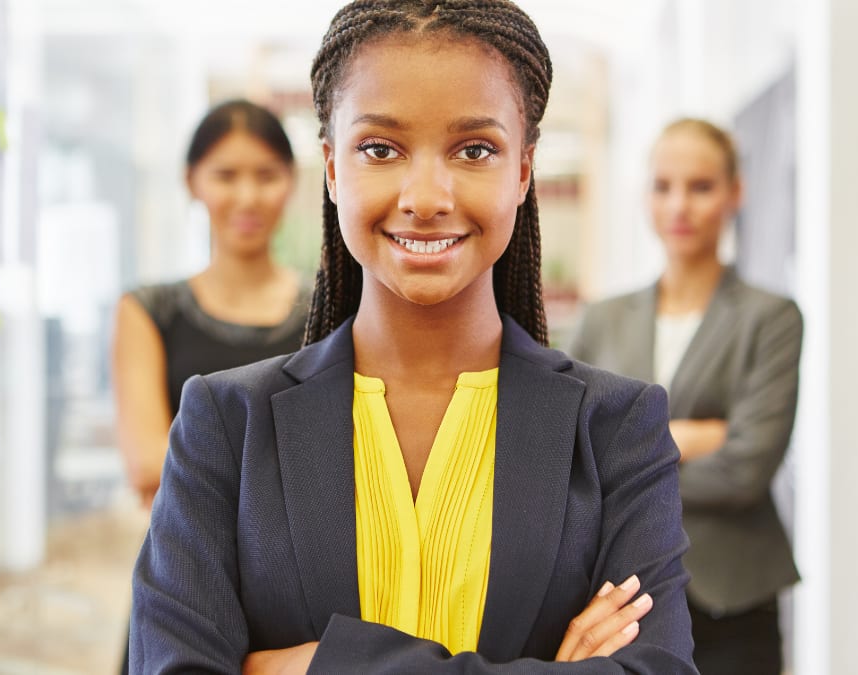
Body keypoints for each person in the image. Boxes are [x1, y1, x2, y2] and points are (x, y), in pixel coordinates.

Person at [130, 2, 697, 673]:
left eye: (475, 150)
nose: (426, 197)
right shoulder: (226, 423)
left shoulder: (615, 429)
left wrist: (319, 665)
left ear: (523, 171)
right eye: (380, 149)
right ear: (332, 168)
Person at [568, 118, 803, 675]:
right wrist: (691, 438)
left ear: (735, 193)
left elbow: (746, 470)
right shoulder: (602, 320)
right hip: (620, 601)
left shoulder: (770, 318)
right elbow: (570, 453)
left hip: (732, 600)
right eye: (663, 186)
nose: (679, 206)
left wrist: (628, 467)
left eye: (701, 187)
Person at [112, 99, 309, 510]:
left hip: (309, 554)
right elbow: (146, 465)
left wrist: (192, 467)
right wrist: (289, 472)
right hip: (188, 548)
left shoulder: (330, 308)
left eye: (266, 176)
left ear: (291, 180)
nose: (247, 197)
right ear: (191, 182)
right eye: (225, 176)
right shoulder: (149, 311)